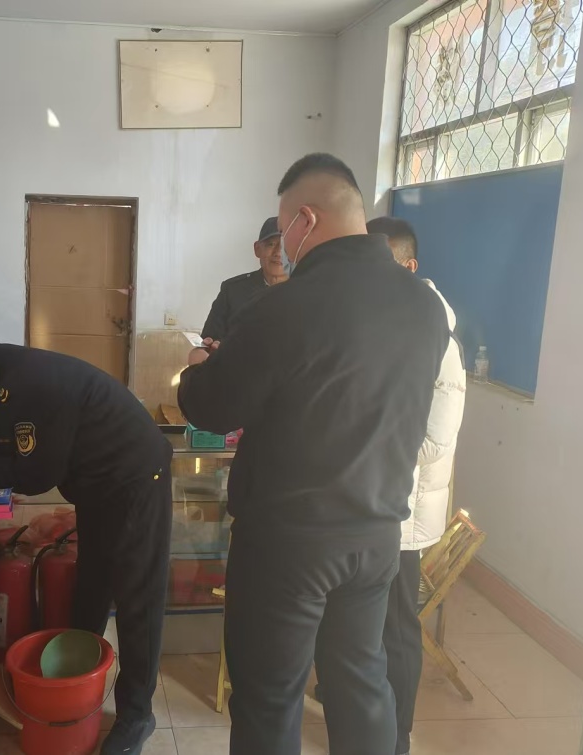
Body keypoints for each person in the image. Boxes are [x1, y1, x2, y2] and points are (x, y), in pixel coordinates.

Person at [177, 153, 450, 755]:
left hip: (289, 543)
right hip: (377, 534)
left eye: (283, 231)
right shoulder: (426, 307)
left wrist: (197, 368)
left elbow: (212, 408)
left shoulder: (283, 307)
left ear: (305, 220)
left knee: (271, 697)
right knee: (360, 683)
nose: (282, 246)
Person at [0, 344, 173, 755]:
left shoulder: (29, 386)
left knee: (136, 599)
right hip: (98, 483)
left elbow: (38, 472)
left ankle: (137, 714)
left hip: (136, 477)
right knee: (91, 585)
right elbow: (6, 432)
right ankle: (75, 676)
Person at [366, 215, 467, 755]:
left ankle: (397, 735)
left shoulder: (438, 336)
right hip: (369, 496)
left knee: (397, 626)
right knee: (362, 616)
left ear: (409, 267)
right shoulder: (386, 320)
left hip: (403, 509)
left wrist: (363, 448)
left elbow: (435, 441)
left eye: (377, 265)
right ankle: (359, 704)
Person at [200, 217, 289, 344]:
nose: (278, 253)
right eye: (271, 244)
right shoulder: (232, 291)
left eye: (286, 245)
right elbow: (209, 340)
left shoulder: (307, 293)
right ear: (257, 249)